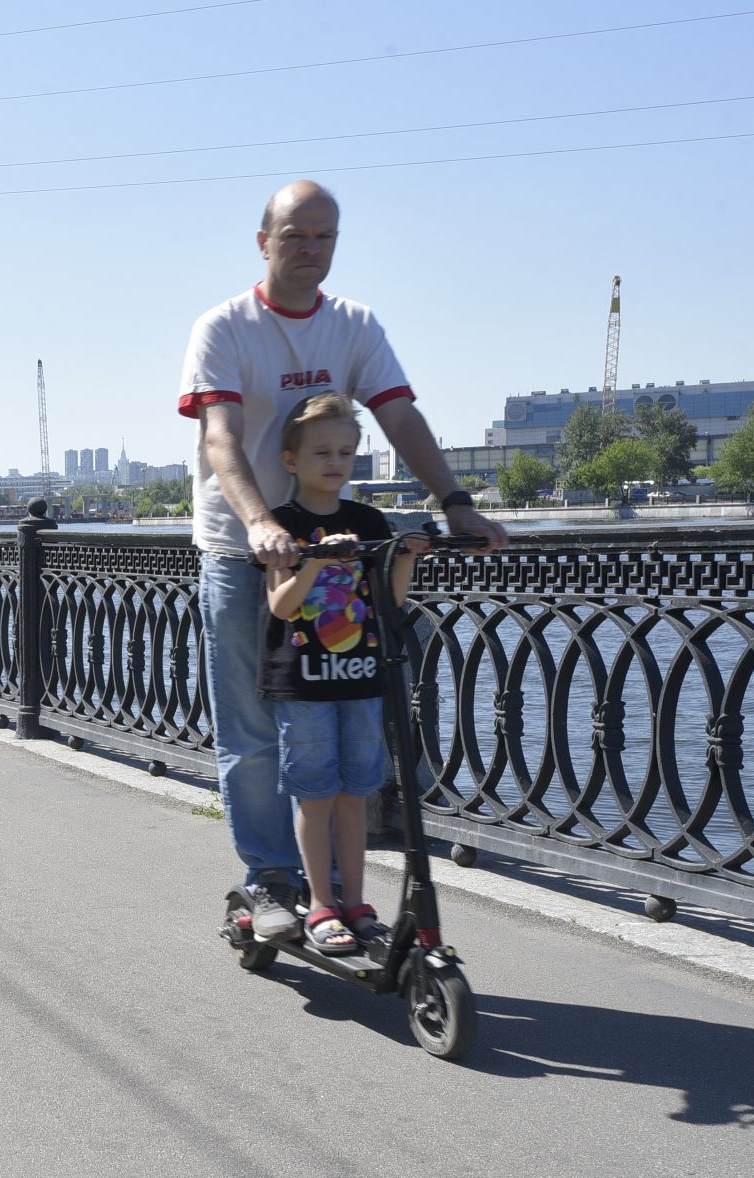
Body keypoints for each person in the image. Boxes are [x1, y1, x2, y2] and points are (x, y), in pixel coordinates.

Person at [178, 179, 507, 943]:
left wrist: (455, 501)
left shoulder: (353, 325)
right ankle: (270, 880)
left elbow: (398, 413)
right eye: (295, 235)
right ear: (263, 241)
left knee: (343, 711)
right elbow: (220, 437)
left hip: (334, 555)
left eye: (324, 237)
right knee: (253, 730)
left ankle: (333, 889)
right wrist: (258, 521)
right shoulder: (225, 327)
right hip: (243, 551)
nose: (311, 250)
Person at [259, 393, 419, 949]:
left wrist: (405, 558)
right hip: (301, 685)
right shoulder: (283, 525)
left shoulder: (367, 520)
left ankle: (356, 902)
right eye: (322, 451)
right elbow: (282, 606)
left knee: (356, 794)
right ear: (291, 460)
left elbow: (388, 605)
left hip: (360, 680)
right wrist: (317, 559)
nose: (335, 462)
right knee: (315, 795)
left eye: (346, 453)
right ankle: (321, 904)